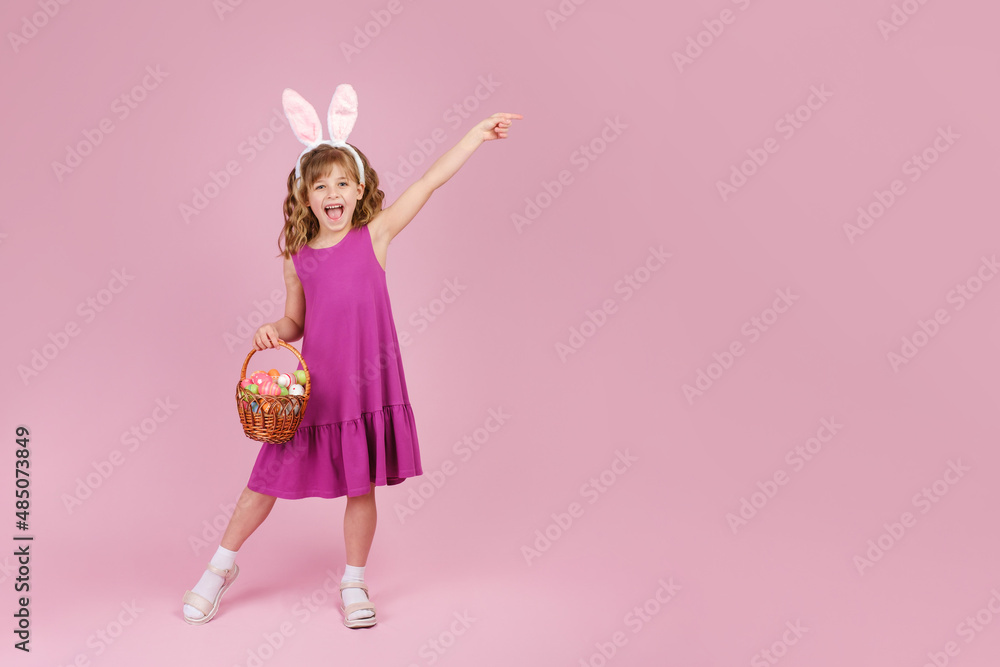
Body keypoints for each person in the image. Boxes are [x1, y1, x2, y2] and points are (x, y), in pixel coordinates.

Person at [181, 84, 522, 629]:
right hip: (316, 392)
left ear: (360, 189)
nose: (333, 192)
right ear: (305, 195)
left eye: (343, 182)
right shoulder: (297, 258)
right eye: (321, 185)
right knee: (262, 483)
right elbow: (296, 321)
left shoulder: (376, 235)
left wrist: (475, 136)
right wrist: (274, 330)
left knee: (360, 488)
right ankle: (219, 568)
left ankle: (354, 581)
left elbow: (429, 182)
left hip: (366, 390)